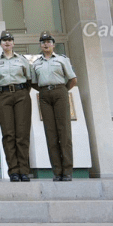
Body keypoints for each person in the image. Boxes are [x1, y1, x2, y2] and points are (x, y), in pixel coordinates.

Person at [31, 31, 77, 182]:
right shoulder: (36, 63)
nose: (46, 44)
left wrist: (62, 91)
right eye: (43, 42)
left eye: (48, 42)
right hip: (44, 95)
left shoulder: (62, 59)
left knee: (64, 132)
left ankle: (67, 171)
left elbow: (72, 79)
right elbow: (34, 82)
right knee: (50, 134)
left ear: (53, 44)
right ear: (40, 45)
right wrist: (45, 91)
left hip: (60, 92)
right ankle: (57, 171)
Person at [0, 30, 33, 182]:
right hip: (3, 96)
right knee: (8, 134)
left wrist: (22, 93)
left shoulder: (22, 60)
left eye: (9, 40)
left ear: (13, 43)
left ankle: (24, 171)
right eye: (4, 40)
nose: (7, 42)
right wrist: (0, 96)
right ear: (0, 44)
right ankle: (13, 171)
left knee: (22, 134)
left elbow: (29, 80)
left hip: (21, 95)